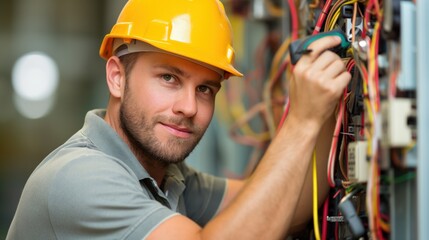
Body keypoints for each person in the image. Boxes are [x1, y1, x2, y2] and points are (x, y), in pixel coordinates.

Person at [6, 0, 351, 239]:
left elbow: (288, 209)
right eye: (169, 78)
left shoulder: (167, 178)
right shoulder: (79, 177)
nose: (189, 106)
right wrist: (301, 121)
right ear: (116, 77)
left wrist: (324, 108)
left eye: (205, 89)